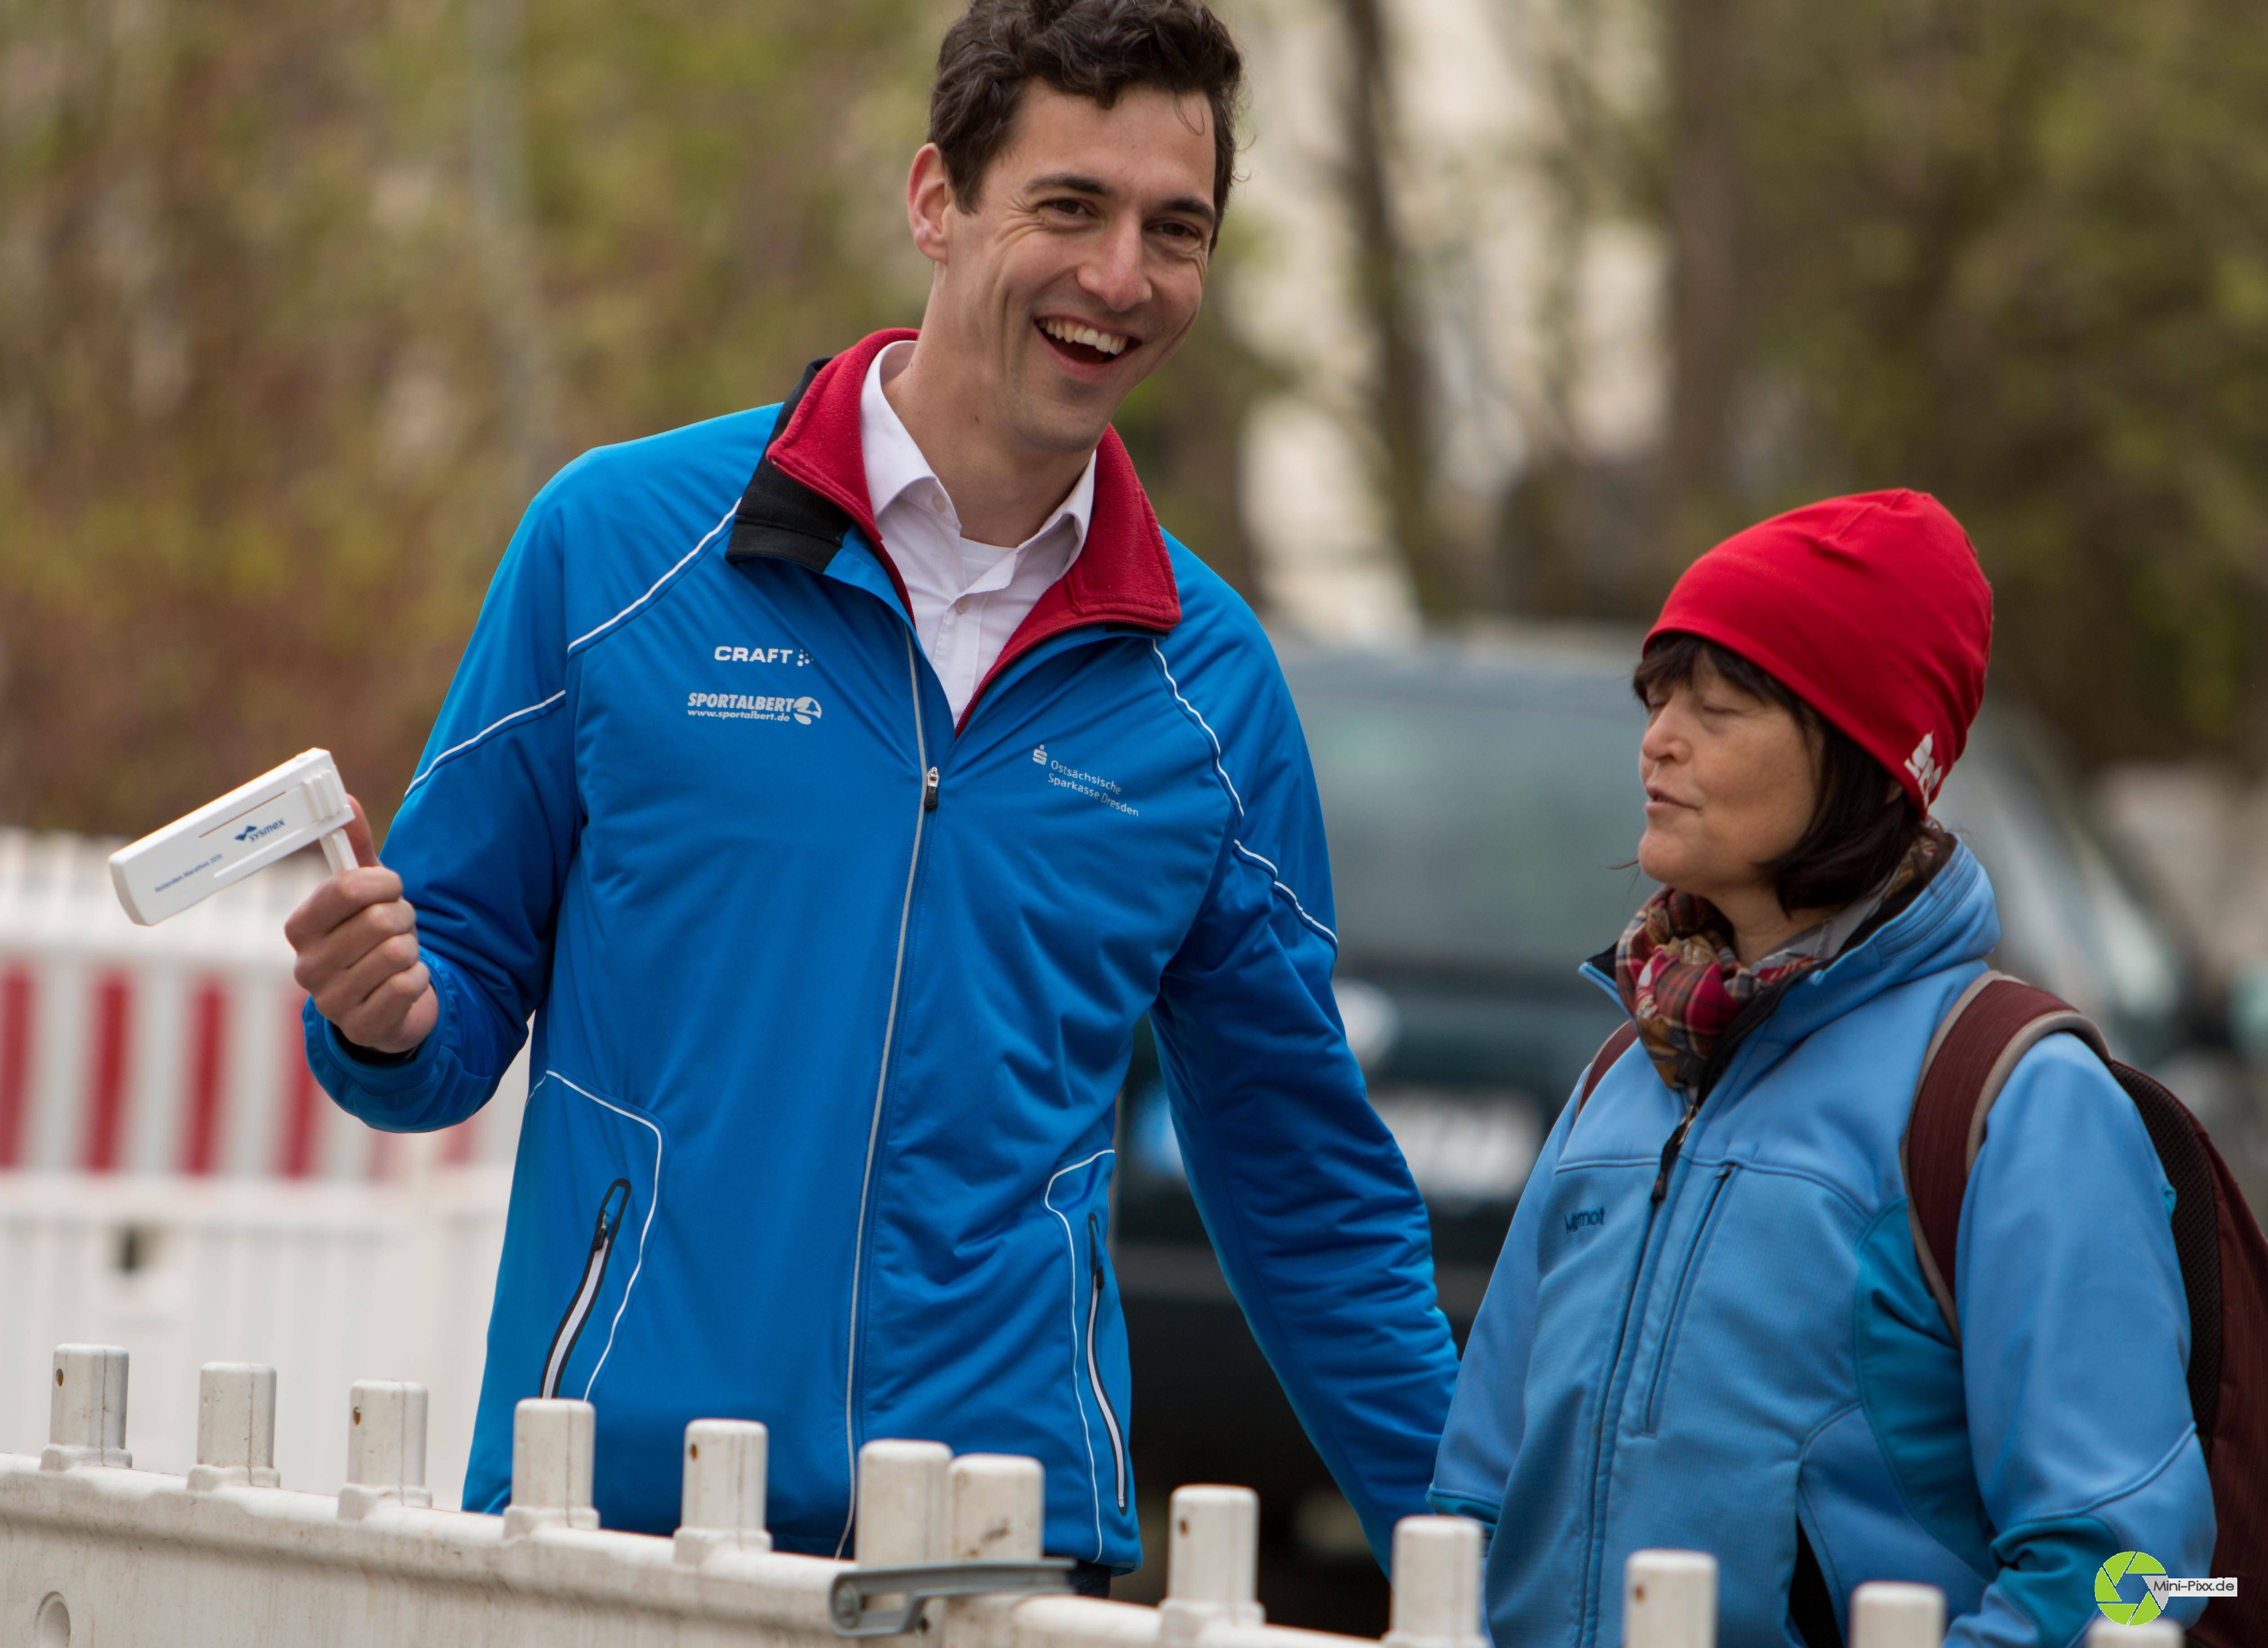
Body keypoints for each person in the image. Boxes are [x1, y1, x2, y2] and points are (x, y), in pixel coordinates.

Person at [285, 0, 1458, 1585]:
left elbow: (1304, 1185)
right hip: (617, 1516)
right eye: (1069, 206)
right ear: (935, 201)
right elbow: (447, 1006)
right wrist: (382, 1020)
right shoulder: (619, 548)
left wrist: (1489, 1571)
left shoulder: (1212, 685)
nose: (1122, 277)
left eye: (1174, 229)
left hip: (1001, 1546)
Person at [1427, 492, 2213, 1645]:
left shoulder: (2015, 1100)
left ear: (1871, 762)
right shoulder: (1626, 1074)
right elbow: (1473, 1505)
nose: (1659, 739)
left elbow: (2130, 1574)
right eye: (1657, 698)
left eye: (1719, 706)